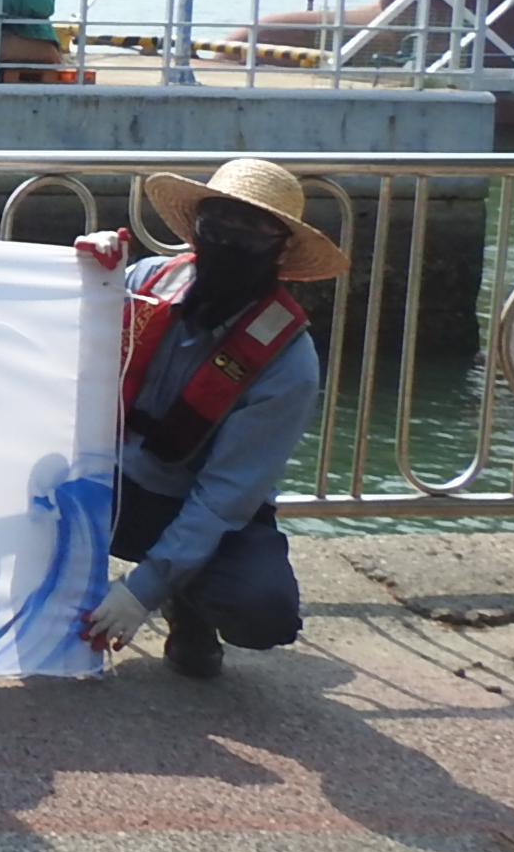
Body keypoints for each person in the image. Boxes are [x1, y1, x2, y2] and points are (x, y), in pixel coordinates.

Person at [75, 156, 348, 679]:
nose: (229, 238)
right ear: (195, 227)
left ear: (281, 249)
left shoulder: (288, 362)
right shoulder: (144, 281)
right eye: (217, 222)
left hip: (195, 504)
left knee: (263, 610)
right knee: (28, 490)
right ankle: (43, 614)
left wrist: (142, 590)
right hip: (110, 483)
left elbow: (225, 497)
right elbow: (63, 335)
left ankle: (188, 607)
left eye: (251, 230)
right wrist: (89, 273)